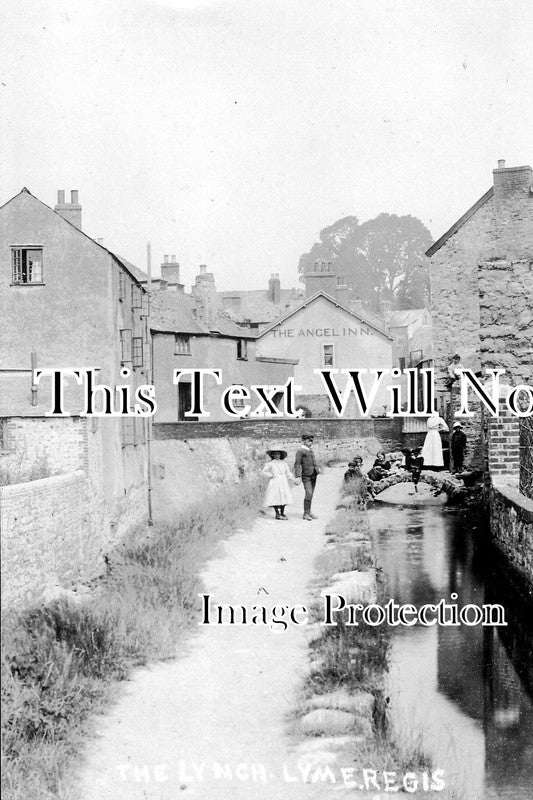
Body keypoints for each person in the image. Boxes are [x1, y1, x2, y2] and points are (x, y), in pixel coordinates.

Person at [262, 449, 295, 520]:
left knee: (284, 497)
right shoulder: (270, 463)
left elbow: (288, 472)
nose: (277, 456)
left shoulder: (284, 463)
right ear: (272, 455)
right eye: (275, 454)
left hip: (283, 482)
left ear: (280, 455)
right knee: (276, 497)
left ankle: (282, 513)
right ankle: (277, 513)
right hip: (275, 481)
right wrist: (271, 475)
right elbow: (264, 471)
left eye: (278, 454)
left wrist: (293, 479)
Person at [294, 434, 321, 521]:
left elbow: (314, 461)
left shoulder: (310, 450)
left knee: (311, 493)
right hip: (306, 475)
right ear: (303, 440)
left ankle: (309, 511)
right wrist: (298, 475)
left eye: (311, 441)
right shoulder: (300, 450)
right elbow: (297, 463)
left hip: (313, 474)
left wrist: (317, 468)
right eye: (308, 441)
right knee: (308, 493)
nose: (310, 443)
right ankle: (305, 513)